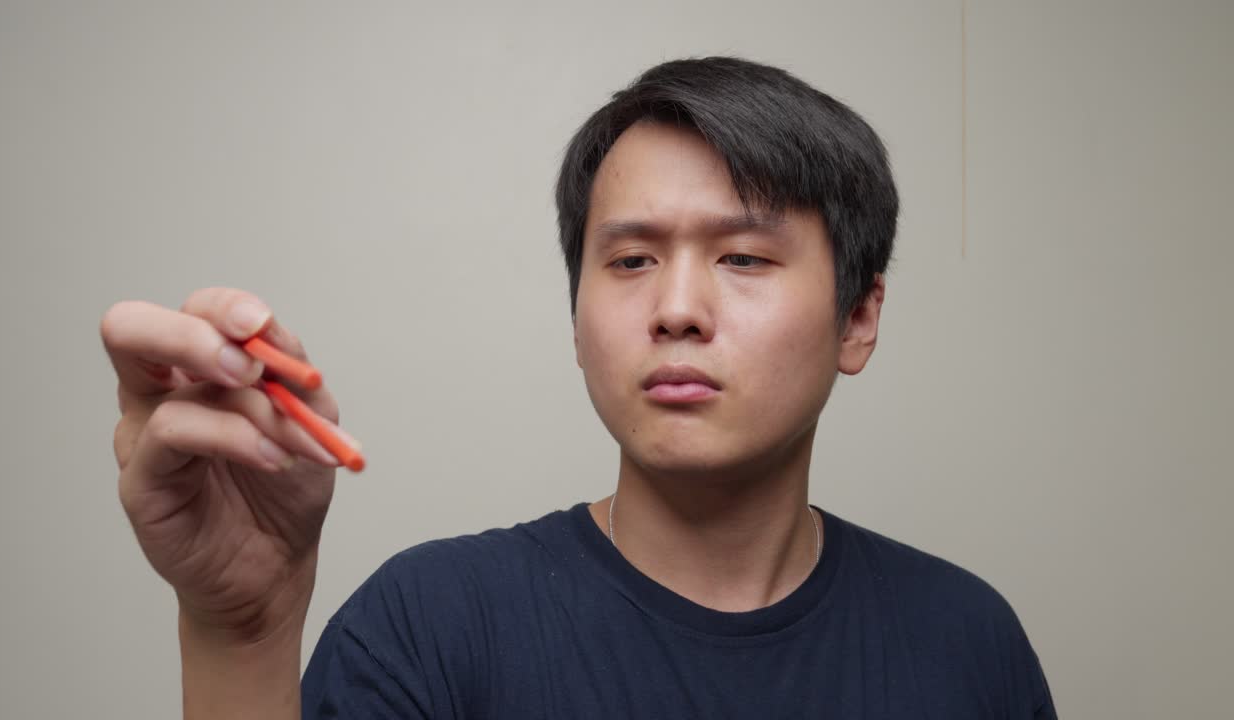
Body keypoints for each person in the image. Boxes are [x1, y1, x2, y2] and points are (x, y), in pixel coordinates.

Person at [101, 56, 1057, 718]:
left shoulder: (966, 642)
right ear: (576, 317)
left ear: (858, 317)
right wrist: (242, 633)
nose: (675, 309)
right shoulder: (433, 625)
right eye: (632, 261)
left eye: (742, 257)